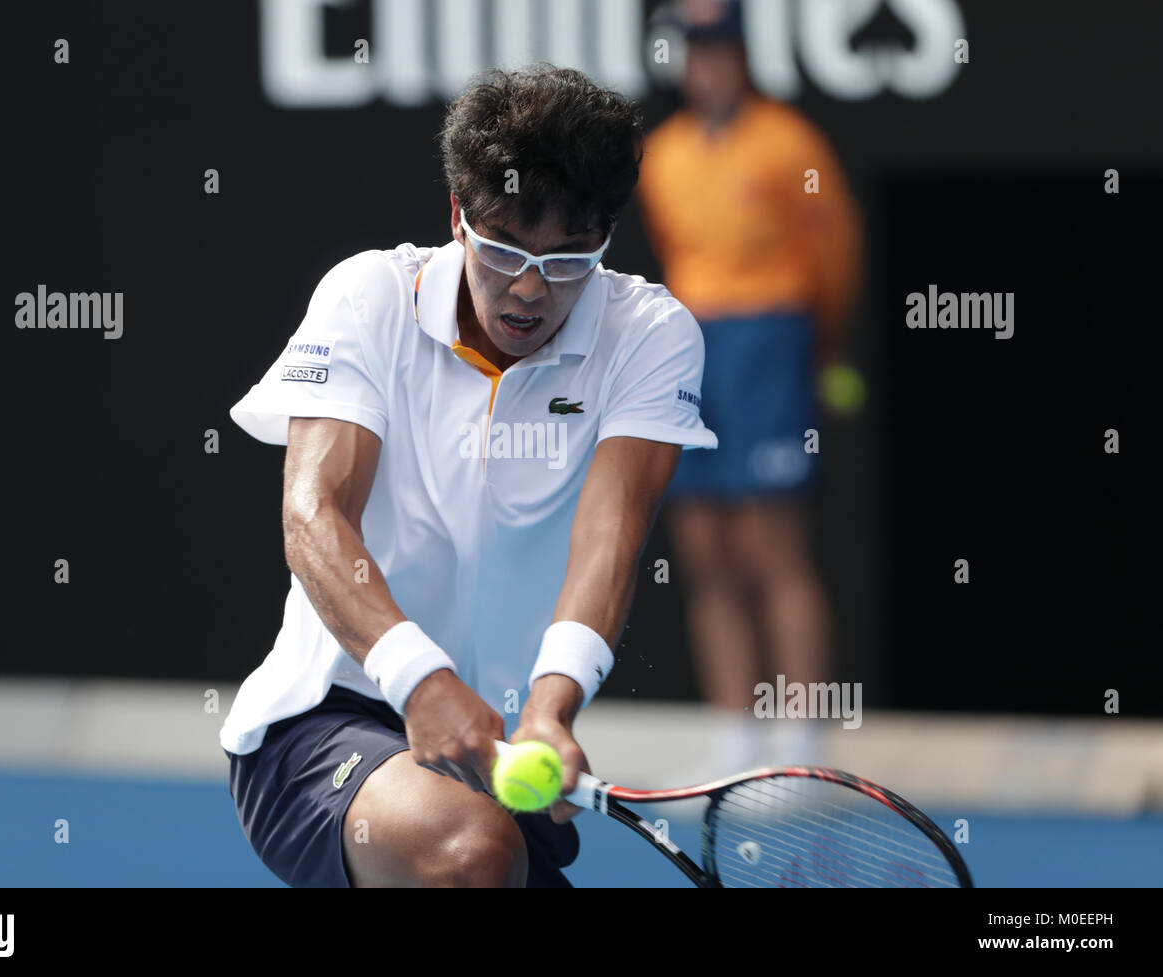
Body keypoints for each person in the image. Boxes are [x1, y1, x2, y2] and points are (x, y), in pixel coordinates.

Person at [219, 65, 717, 887]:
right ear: (457, 216)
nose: (528, 288)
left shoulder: (651, 336)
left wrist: (554, 705)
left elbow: (610, 535)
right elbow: (314, 517)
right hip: (326, 718)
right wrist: (420, 681)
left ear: (606, 239)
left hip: (502, 749)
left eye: (567, 259)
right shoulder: (367, 298)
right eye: (502, 249)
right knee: (473, 854)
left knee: (488, 847)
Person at [637, 0, 863, 773]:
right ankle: (737, 739)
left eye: (721, 48)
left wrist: (818, 342)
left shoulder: (789, 142)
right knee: (705, 548)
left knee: (774, 546)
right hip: (691, 350)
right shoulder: (662, 155)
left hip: (770, 342)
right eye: (694, 51)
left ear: (742, 53)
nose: (708, 64)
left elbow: (834, 255)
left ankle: (803, 742)